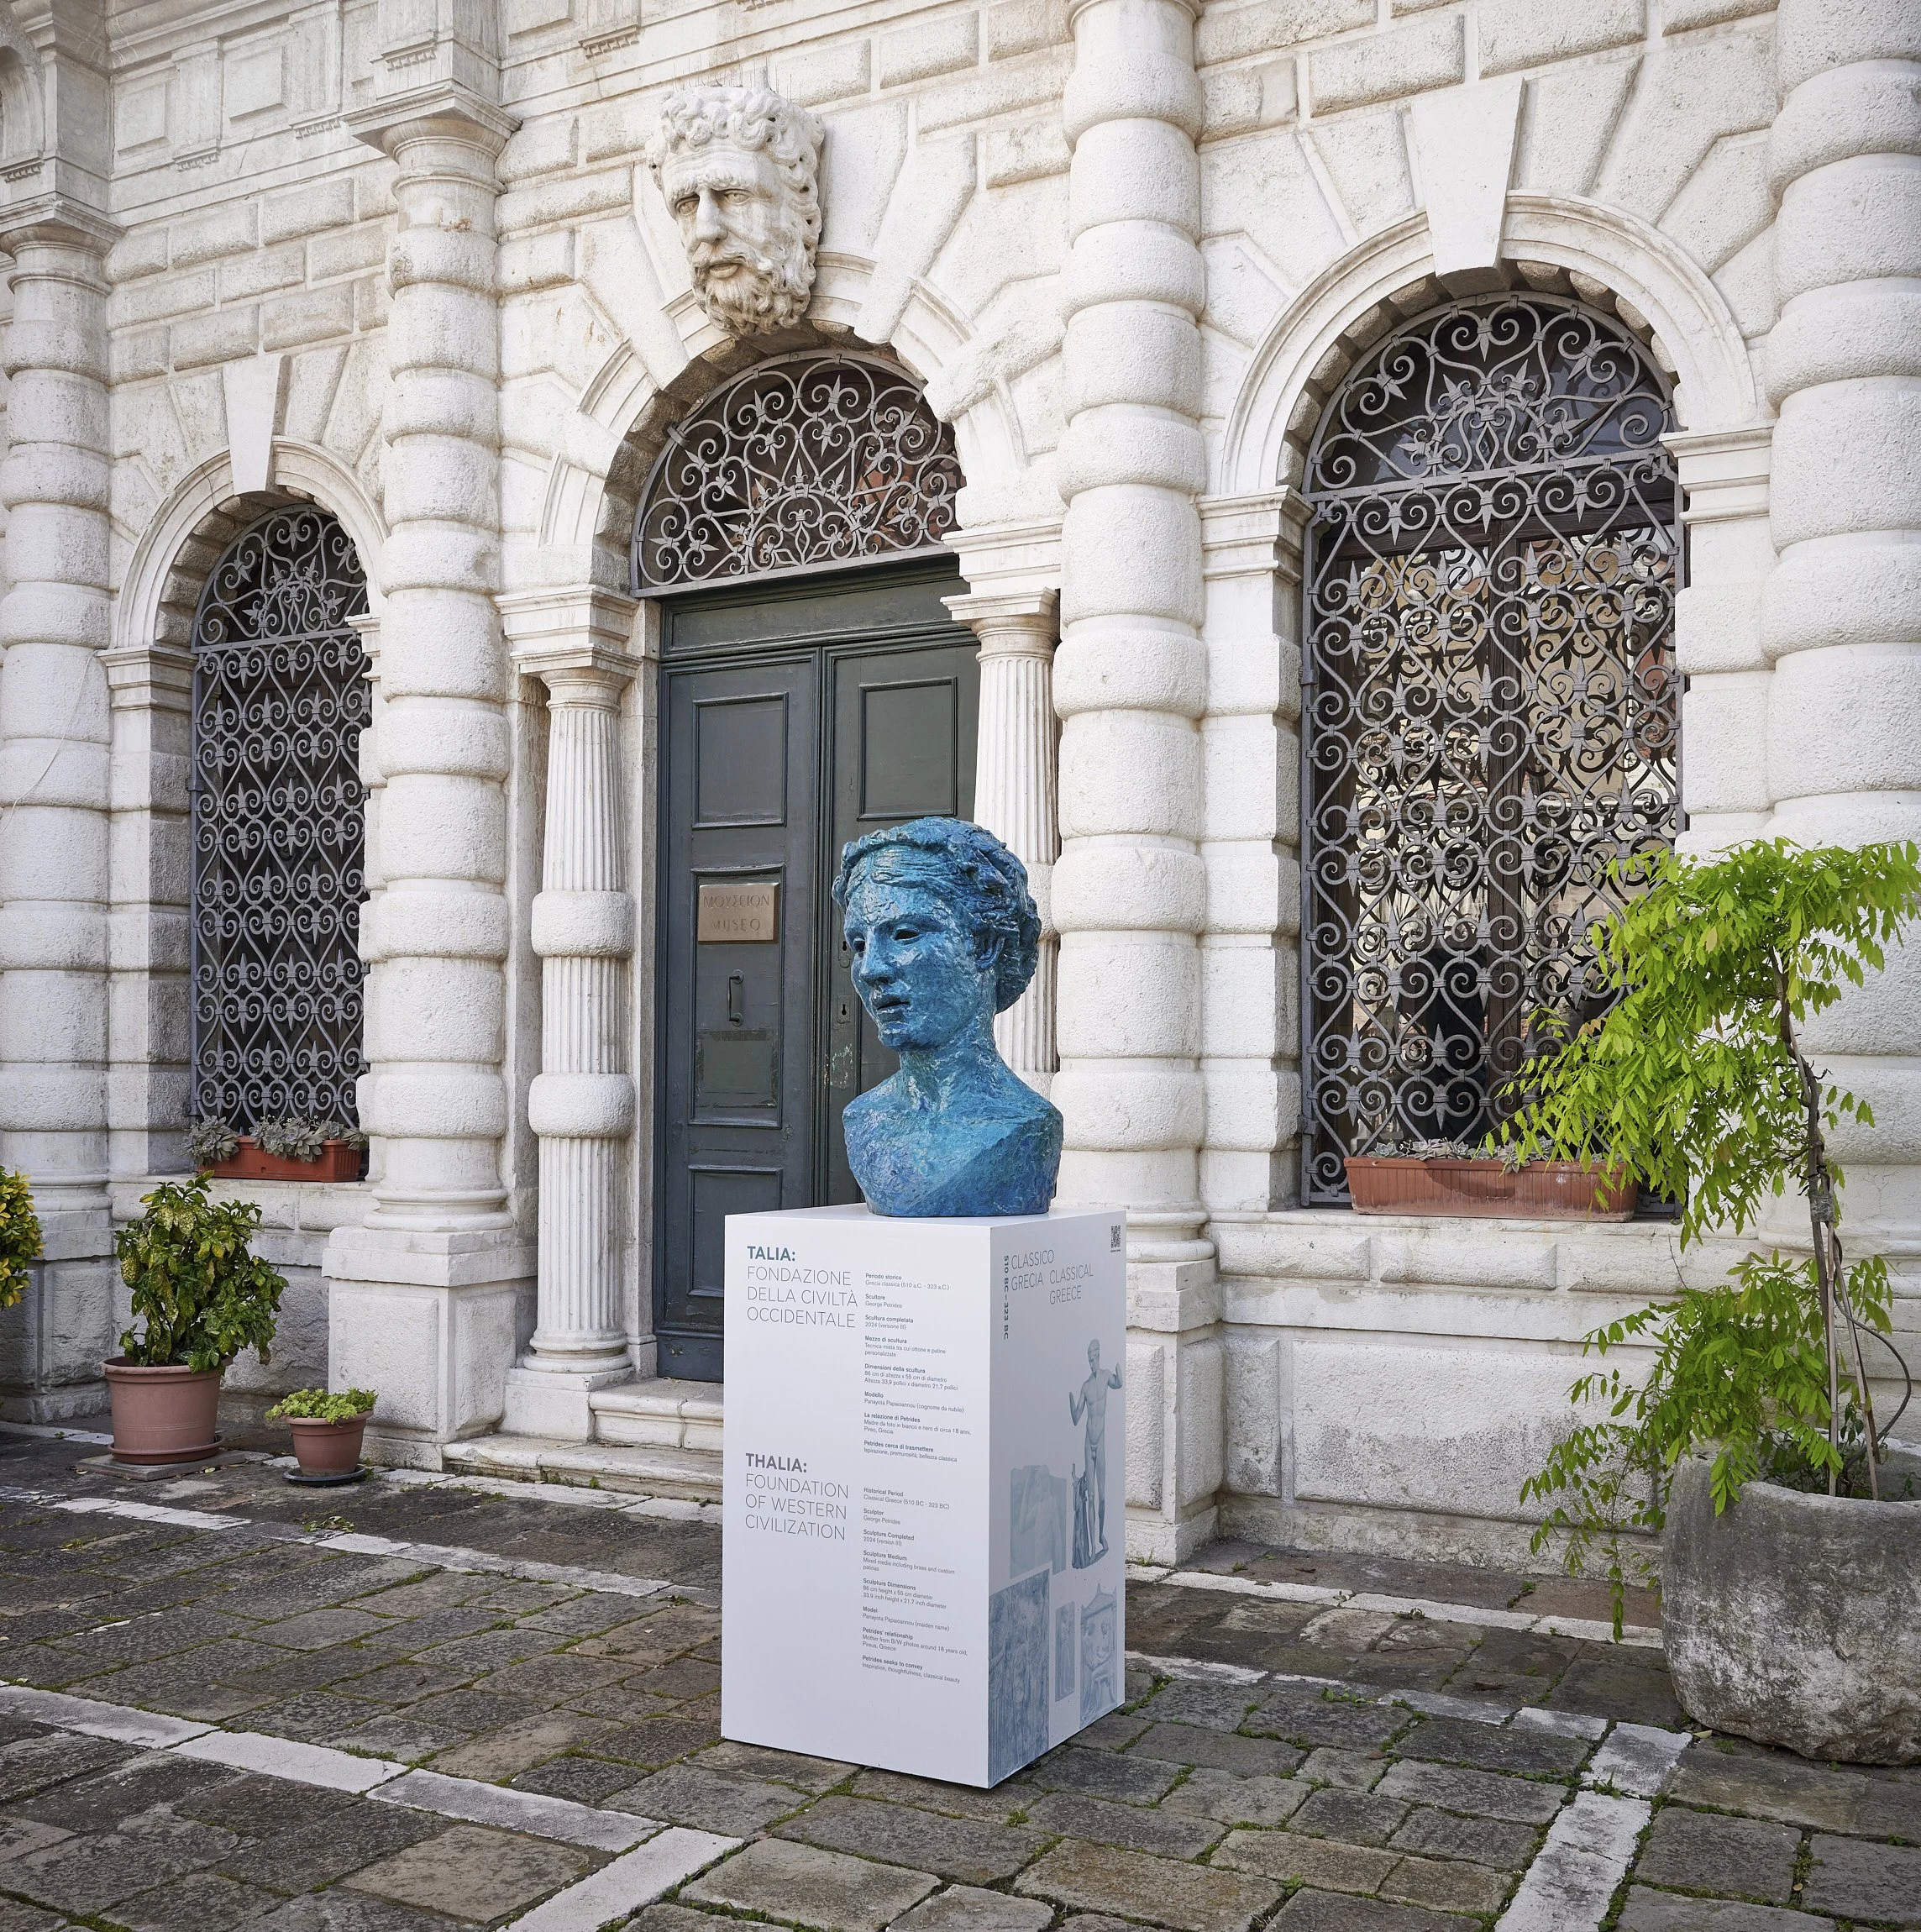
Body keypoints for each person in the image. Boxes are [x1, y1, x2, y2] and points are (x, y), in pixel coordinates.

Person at [833, 817, 1063, 1217]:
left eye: (905, 934)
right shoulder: (864, 1119)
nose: (871, 968)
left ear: (985, 945)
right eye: (858, 944)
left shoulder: (1025, 1125)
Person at [1069, 1338, 1122, 1564]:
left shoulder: (1105, 1376)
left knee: (1102, 1496)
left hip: (1099, 1442)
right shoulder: (1086, 1386)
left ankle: (1101, 1536)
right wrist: (1071, 1404)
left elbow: (1118, 1384)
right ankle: (1091, 1549)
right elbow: (1076, 1418)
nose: (1091, 1363)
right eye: (1089, 1360)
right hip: (1087, 1442)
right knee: (1090, 1497)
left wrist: (1121, 1375)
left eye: (1094, 1359)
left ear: (1099, 1357)